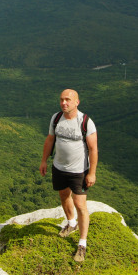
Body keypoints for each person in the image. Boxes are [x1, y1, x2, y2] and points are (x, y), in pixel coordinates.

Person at [39, 89, 98, 262]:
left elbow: (93, 149)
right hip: (59, 167)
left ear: (77, 102)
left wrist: (92, 173)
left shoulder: (86, 122)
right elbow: (50, 139)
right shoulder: (56, 118)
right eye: (61, 100)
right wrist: (44, 161)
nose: (64, 103)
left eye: (68, 100)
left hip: (79, 171)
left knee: (80, 204)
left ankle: (82, 243)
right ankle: (71, 223)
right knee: (64, 196)